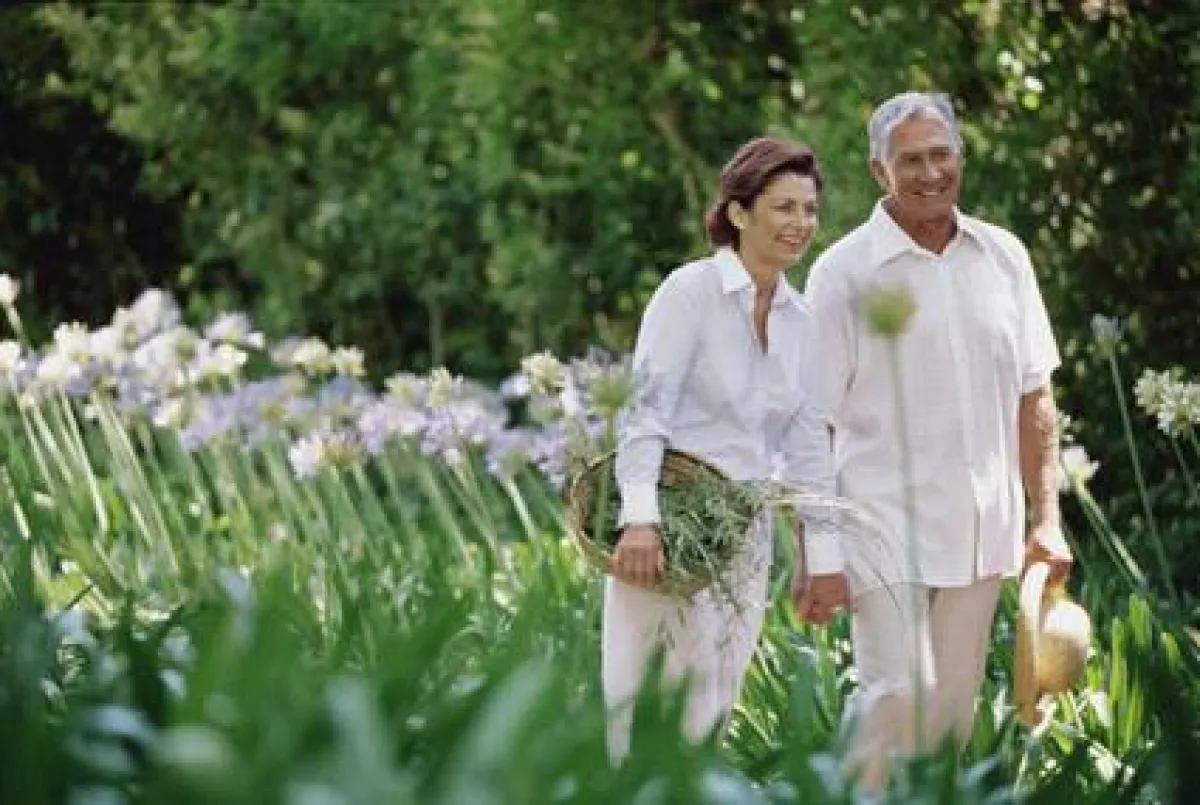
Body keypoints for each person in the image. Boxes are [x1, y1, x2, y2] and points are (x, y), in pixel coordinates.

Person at [798, 91, 1073, 790]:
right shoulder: (842, 272)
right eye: (910, 159)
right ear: (877, 170)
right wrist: (818, 549)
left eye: (941, 154)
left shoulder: (1003, 256)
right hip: (881, 530)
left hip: (984, 533)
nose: (929, 172)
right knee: (894, 696)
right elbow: (810, 421)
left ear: (962, 156)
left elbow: (1033, 397)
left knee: (950, 714)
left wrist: (1047, 519)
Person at [603, 135, 842, 763]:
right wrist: (639, 518)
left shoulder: (803, 320)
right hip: (666, 532)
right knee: (639, 706)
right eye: (784, 207)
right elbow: (645, 408)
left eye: (809, 209)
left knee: (713, 706)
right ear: (739, 213)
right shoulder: (690, 292)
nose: (801, 225)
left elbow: (808, 443)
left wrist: (822, 555)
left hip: (744, 535)